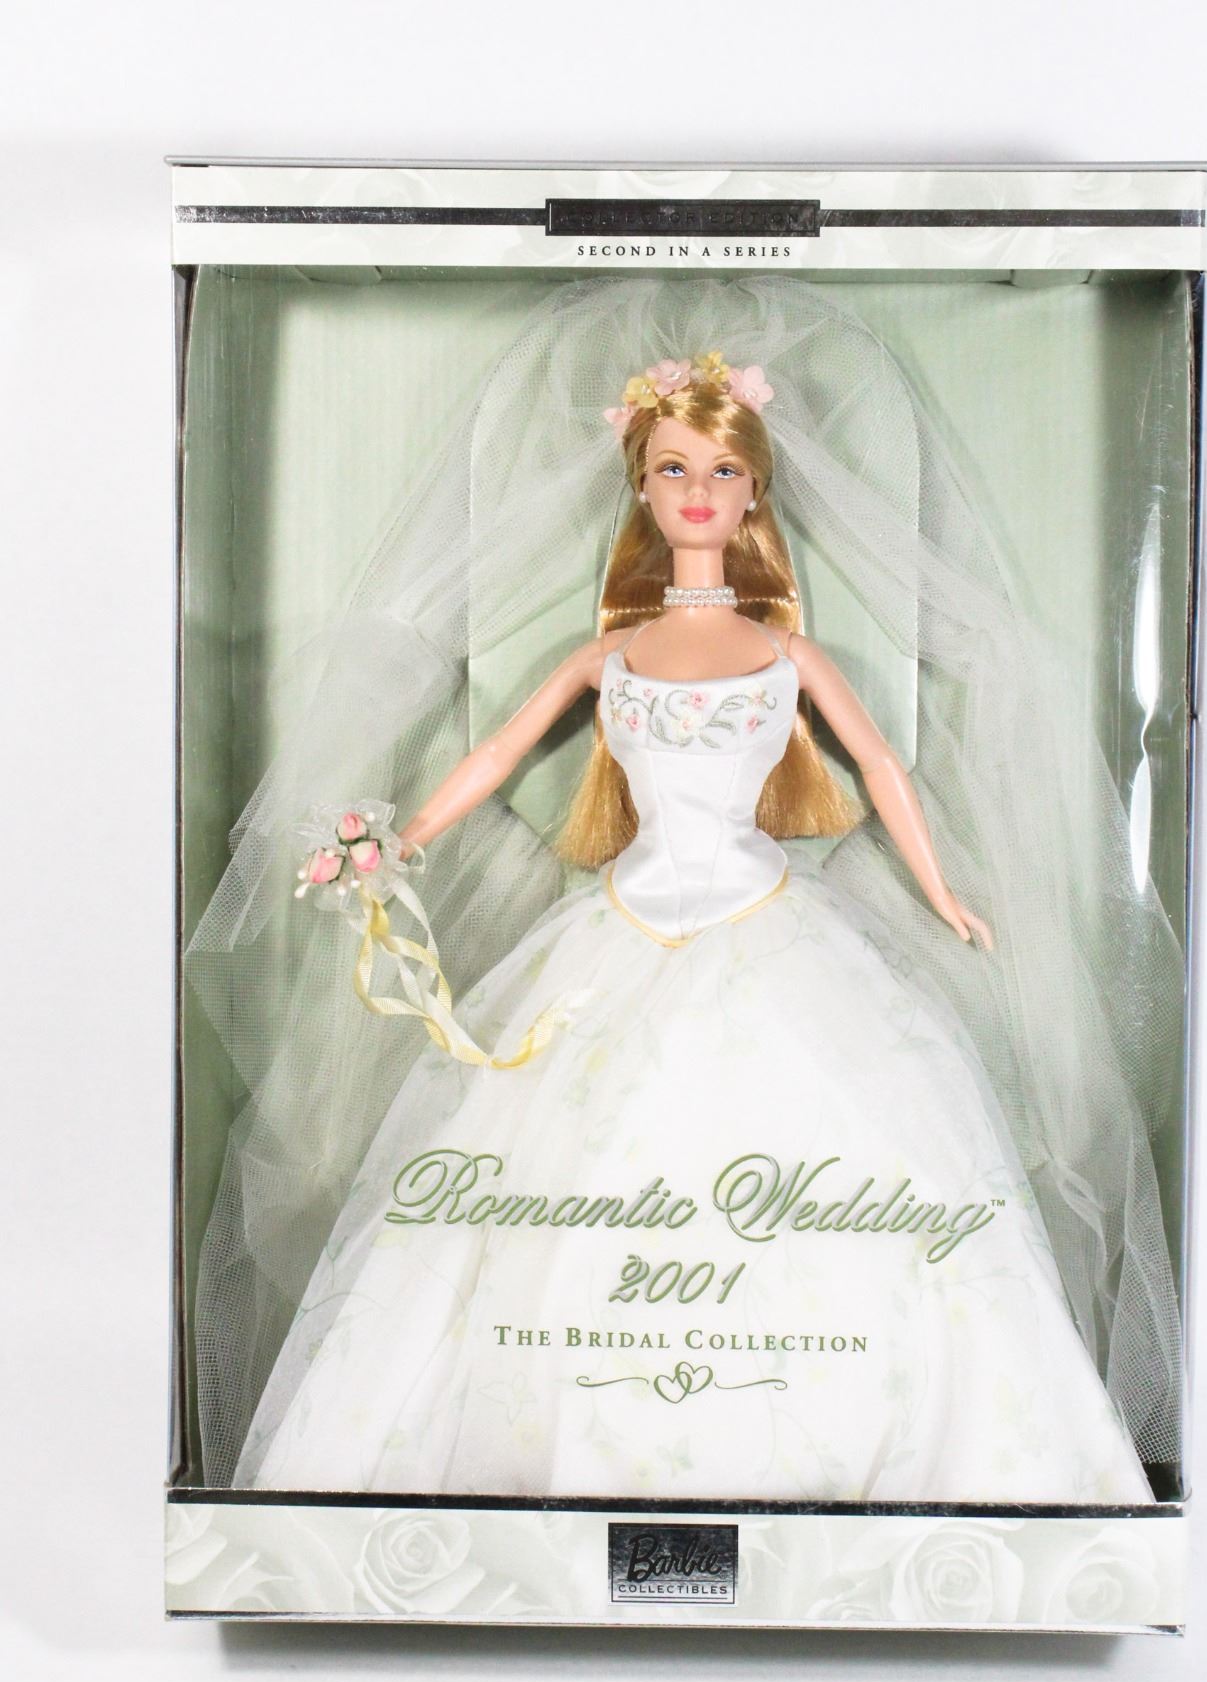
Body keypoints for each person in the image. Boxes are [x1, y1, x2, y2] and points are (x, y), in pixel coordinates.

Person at [230, 350, 1156, 1504]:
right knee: (553, 1171)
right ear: (642, 486)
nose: (698, 492)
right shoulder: (609, 656)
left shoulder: (786, 653)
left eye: (720, 470)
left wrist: (941, 892)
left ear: (754, 487)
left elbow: (878, 766)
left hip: (769, 929)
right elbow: (498, 753)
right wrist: (397, 842)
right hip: (625, 921)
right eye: (673, 469)